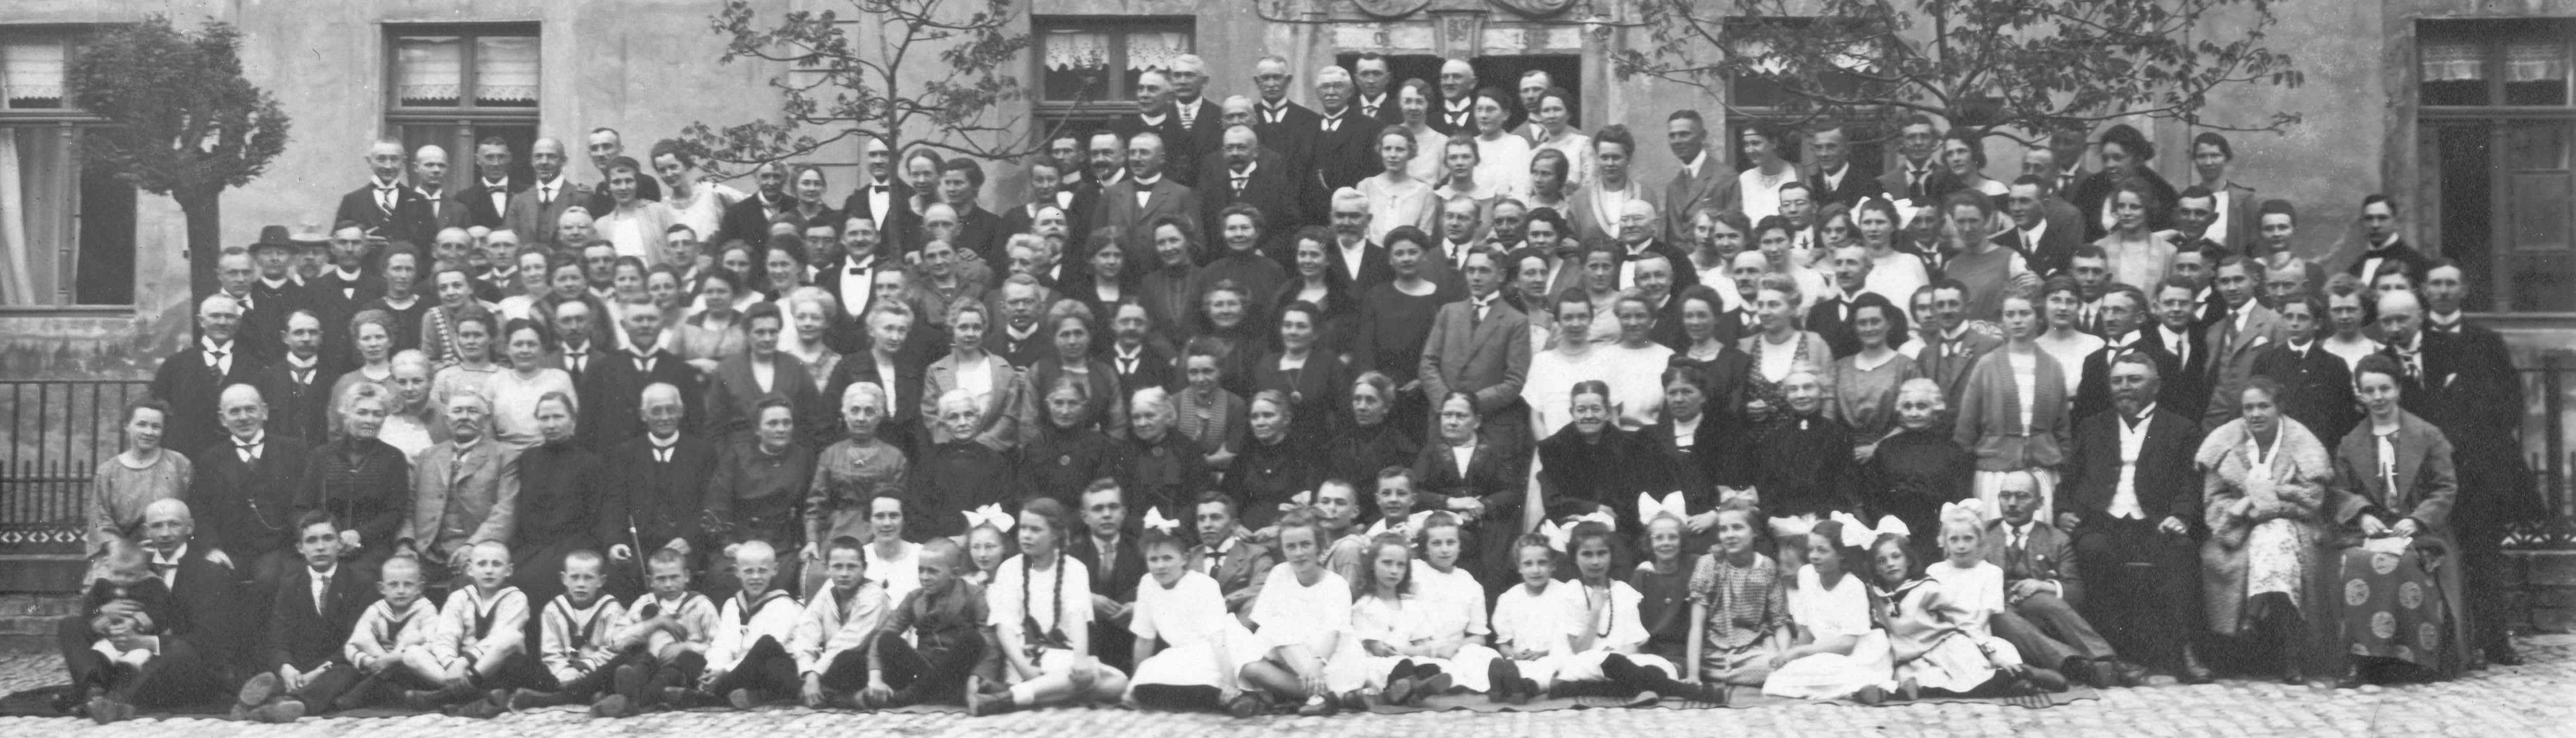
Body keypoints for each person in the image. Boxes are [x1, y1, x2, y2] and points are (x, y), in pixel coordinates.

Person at [2058, 354, 2211, 683]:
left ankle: (2184, 651)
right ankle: (2112, 655)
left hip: (2154, 522)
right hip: (2101, 521)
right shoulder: (2092, 426)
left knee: (2181, 552)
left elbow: (2190, 483)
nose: (2124, 387)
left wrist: (2180, 517)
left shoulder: (2180, 428)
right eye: (2117, 381)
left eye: (2134, 379)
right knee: (2093, 552)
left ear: (2156, 386)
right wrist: (2063, 512)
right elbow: (2069, 481)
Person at [2330, 354, 2470, 684]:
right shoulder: (2350, 443)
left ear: (2398, 390)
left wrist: (2418, 520)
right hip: (2372, 531)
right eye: (2369, 391)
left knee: (2407, 564)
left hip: (2421, 532)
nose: (2378, 397)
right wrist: (2362, 514)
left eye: (2385, 389)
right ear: (2360, 395)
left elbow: (2445, 487)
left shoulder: (2428, 435)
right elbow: (2339, 490)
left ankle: (2420, 658)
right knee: (2357, 563)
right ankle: (2362, 659)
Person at [2195, 379, 2333, 684]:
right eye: (2249, 408)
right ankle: (2289, 654)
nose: (2255, 414)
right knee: (2266, 543)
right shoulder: (2225, 443)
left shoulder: (2302, 442)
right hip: (2239, 526)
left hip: (2295, 523)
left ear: (2279, 408)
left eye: (2263, 406)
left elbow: (2312, 498)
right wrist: (2247, 508)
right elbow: (2214, 500)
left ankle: (2254, 619)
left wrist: (2262, 502)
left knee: (2275, 537)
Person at [1981, 473, 2136, 689]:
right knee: (2000, 616)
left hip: (2035, 606)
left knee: (2046, 601)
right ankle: (2078, 665)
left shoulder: (2056, 539)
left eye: (2022, 496)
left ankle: (2107, 660)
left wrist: (2043, 586)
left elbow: (2076, 591)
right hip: (1994, 606)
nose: (2012, 503)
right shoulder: (1982, 534)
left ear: (2039, 503)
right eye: (2005, 496)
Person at [977, 498, 1131, 715]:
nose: (1026, 535)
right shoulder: (1011, 569)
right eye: (1023, 528)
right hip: (1025, 660)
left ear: (1055, 534)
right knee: (1106, 680)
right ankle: (1036, 691)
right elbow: (1004, 627)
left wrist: (1080, 661)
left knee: (1119, 682)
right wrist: (1025, 668)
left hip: (1063, 659)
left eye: (1035, 530)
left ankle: (1012, 696)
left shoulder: (1075, 569)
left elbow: (1078, 618)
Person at [1548, 520, 1700, 703]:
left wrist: (1618, 654)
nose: (1596, 561)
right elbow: (1579, 650)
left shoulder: (1624, 592)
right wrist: (1596, 610)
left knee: (1661, 666)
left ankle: (1580, 689)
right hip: (1583, 664)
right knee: (1606, 663)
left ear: (1611, 555)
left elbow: (1633, 645)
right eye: (1587, 554)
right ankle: (1680, 690)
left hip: (1623, 664)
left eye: (1602, 553)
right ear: (1574, 558)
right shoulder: (1570, 592)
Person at [1236, 509, 1367, 716]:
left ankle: (1324, 695)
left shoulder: (1336, 584)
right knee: (1250, 666)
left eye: (1306, 545)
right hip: (1292, 658)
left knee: (1277, 629)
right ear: (1283, 550)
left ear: (1319, 546)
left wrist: (1317, 665)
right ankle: (1331, 696)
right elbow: (1265, 622)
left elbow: (1334, 634)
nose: (1299, 553)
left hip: (1331, 659)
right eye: (1291, 546)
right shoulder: (1279, 574)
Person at [1952, 295, 2070, 523]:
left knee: (2039, 535)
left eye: (2025, 313)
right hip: (1995, 472)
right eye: (2010, 314)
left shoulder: (2053, 366)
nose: (2017, 320)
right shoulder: (1987, 365)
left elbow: (2062, 427)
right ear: (2002, 320)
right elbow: (1966, 427)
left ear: (2038, 317)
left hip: (2041, 471)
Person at [245, 512, 372, 720]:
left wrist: (320, 671)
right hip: (302, 668)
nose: (320, 547)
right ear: (300, 548)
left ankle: (297, 704)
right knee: (272, 673)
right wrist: (287, 668)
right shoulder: (290, 584)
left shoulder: (360, 583)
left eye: (328, 539)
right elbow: (278, 639)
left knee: (348, 674)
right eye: (312, 541)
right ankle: (268, 701)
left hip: (338, 665)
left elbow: (356, 641)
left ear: (340, 544)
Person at [1759, 515, 1893, 702]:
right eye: (1811, 550)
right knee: (1777, 682)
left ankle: (1866, 686)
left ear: (1841, 554)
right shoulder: (1806, 575)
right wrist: (1797, 658)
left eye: (1822, 551)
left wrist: (1798, 652)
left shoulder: (1853, 586)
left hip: (1858, 653)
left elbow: (1847, 645)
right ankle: (1856, 690)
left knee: (1836, 670)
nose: (1814, 556)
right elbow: (1805, 630)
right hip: (1821, 651)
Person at [1126, 521, 1256, 712]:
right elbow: (1144, 639)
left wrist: (1229, 682)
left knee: (1197, 674)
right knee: (1146, 678)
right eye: (1153, 560)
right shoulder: (1147, 584)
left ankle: (1232, 698)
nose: (1160, 566)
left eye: (1168, 558)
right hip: (1179, 652)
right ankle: (1219, 701)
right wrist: (1134, 683)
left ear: (1185, 559)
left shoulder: (1203, 585)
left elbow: (1218, 640)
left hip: (1218, 649)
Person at [399, 389, 521, 586]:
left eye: (472, 411)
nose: (464, 417)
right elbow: (409, 505)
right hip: (426, 551)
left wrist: (473, 546)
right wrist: (406, 544)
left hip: (476, 550)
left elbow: (506, 510)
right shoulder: (427, 456)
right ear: (448, 420)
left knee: (468, 587)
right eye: (458, 411)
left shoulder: (505, 456)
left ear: (486, 419)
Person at [401, 541, 532, 717]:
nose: (489, 570)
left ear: (509, 570)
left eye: (497, 564)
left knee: (512, 637)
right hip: (459, 670)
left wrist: (464, 662)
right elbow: (446, 635)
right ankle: (472, 692)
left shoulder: (516, 598)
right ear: (471, 569)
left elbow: (498, 637)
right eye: (482, 564)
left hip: (499, 667)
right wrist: (451, 664)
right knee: (411, 653)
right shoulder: (459, 597)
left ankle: (444, 695)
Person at [501, 550, 630, 712]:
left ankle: (553, 699)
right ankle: (587, 696)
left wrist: (586, 667)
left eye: (588, 578)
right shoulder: (553, 609)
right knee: (517, 662)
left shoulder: (612, 609)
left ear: (601, 581)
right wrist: (565, 673)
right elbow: (550, 652)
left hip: (595, 672)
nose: (581, 584)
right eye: (575, 577)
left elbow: (613, 649)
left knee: (623, 659)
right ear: (564, 579)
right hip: (562, 675)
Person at [596, 548, 720, 716]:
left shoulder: (701, 605)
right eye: (661, 579)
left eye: (674, 577)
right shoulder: (644, 603)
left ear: (687, 576)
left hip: (683, 669)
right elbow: (617, 641)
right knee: (638, 660)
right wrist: (655, 623)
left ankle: (631, 702)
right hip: (650, 666)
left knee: (683, 663)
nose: (668, 584)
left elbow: (719, 644)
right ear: (651, 581)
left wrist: (686, 647)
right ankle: (638, 698)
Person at [326, 556, 442, 713]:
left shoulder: (426, 610)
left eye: (408, 585)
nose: (401, 591)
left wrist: (394, 659)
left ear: (420, 588)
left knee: (410, 647)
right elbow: (353, 644)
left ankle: (353, 699)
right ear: (382, 589)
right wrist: (369, 662)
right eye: (393, 585)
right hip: (377, 666)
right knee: (350, 668)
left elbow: (432, 644)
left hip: (409, 668)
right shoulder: (376, 610)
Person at [695, 541, 804, 709]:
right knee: (689, 659)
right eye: (748, 571)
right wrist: (713, 669)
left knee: (766, 644)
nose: (756, 577)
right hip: (737, 673)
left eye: (762, 571)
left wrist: (725, 673)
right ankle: (721, 691)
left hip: (771, 670)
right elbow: (723, 645)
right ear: (737, 572)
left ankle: (709, 696)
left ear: (775, 570)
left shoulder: (784, 605)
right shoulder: (732, 605)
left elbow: (763, 653)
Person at [1826, 293, 1919, 457]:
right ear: (1855, 327)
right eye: (1862, 323)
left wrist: (1877, 447)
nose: (1869, 329)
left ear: (1889, 324)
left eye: (1875, 321)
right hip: (1846, 453)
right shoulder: (1840, 368)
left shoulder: (1907, 367)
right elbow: (1830, 416)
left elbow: (1912, 418)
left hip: (1893, 453)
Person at [2200, 257, 2287, 430]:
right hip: (2215, 423)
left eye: (2239, 280)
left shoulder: (2275, 323)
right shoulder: (2214, 330)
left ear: (2255, 280)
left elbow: (2282, 379)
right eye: (2225, 282)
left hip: (2258, 420)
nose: (2232, 288)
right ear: (2217, 286)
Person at [2094, 178, 2180, 292]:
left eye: (2134, 207)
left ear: (2148, 209)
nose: (2126, 213)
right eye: (2121, 206)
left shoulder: (2168, 252)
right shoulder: (2101, 247)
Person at [1735, 123, 1801, 222]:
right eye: (1746, 145)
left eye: (1756, 143)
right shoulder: (1744, 179)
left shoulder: (1797, 174)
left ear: (1774, 143)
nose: (1750, 150)